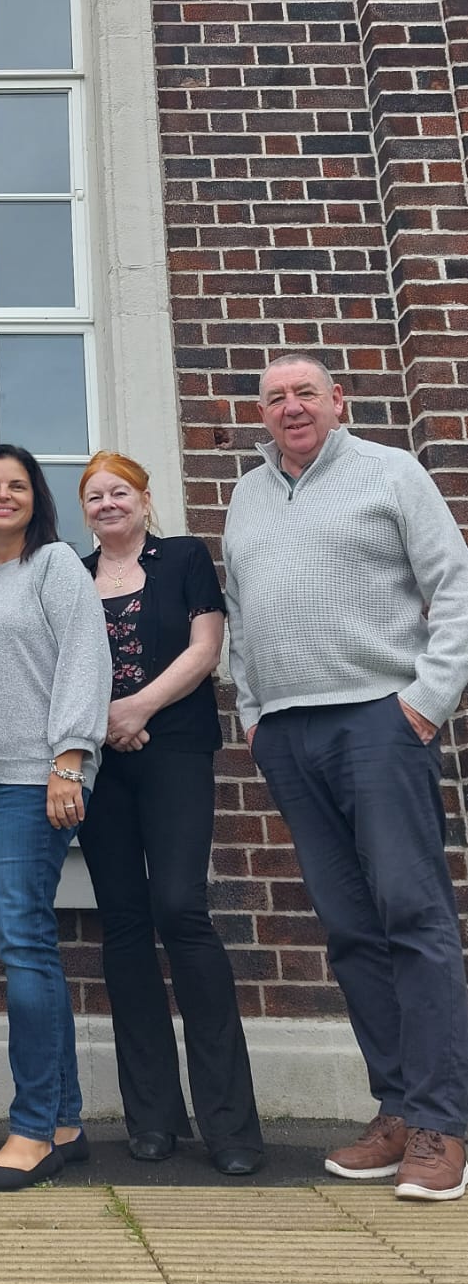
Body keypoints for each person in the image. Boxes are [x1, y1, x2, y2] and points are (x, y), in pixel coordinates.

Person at [224, 353, 468, 1204]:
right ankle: (396, 1109)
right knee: (349, 929)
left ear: (338, 402)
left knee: (413, 916)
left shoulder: (389, 472)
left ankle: (442, 1123)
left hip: (378, 718)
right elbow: (244, 614)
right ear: (260, 414)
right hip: (287, 733)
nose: (289, 408)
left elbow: (454, 583)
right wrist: (252, 716)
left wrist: (426, 700)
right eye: (273, 398)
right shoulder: (247, 497)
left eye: (304, 393)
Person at [79, 451, 263, 1176]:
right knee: (122, 925)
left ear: (144, 500)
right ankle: (151, 1117)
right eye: (92, 496)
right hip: (101, 761)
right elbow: (61, 659)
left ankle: (230, 1127)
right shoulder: (71, 570)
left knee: (180, 909)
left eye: (117, 492)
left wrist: (136, 706)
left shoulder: (183, 556)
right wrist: (102, 721)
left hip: (173, 750)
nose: (105, 504)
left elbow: (205, 645)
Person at [0, 445, 110, 1191]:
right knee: (17, 942)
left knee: (23, 945)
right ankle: (64, 1121)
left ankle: (30, 1130)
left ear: (34, 496)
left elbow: (86, 658)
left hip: (34, 779)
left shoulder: (53, 567)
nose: (2, 495)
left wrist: (69, 759)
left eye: (16, 484)